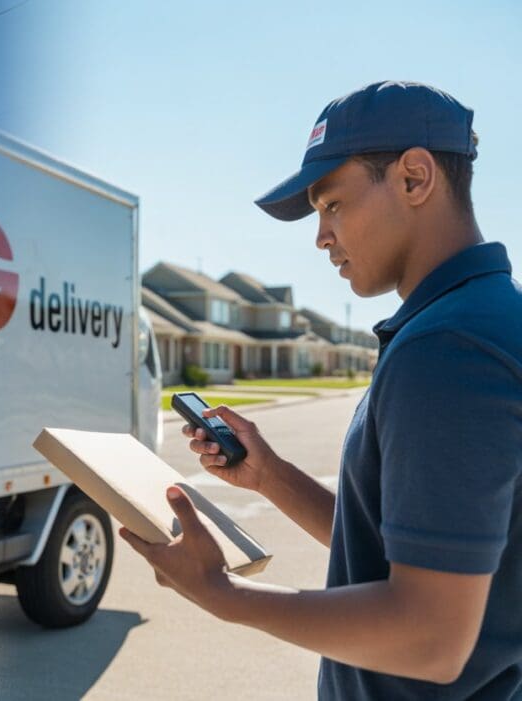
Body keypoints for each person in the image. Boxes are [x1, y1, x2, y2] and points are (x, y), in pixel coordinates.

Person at [120, 81, 522, 699]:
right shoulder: (474, 321)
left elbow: (431, 637)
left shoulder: (449, 349)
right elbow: (398, 552)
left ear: (415, 179)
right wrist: (270, 477)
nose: (320, 235)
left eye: (332, 204)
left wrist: (222, 593)